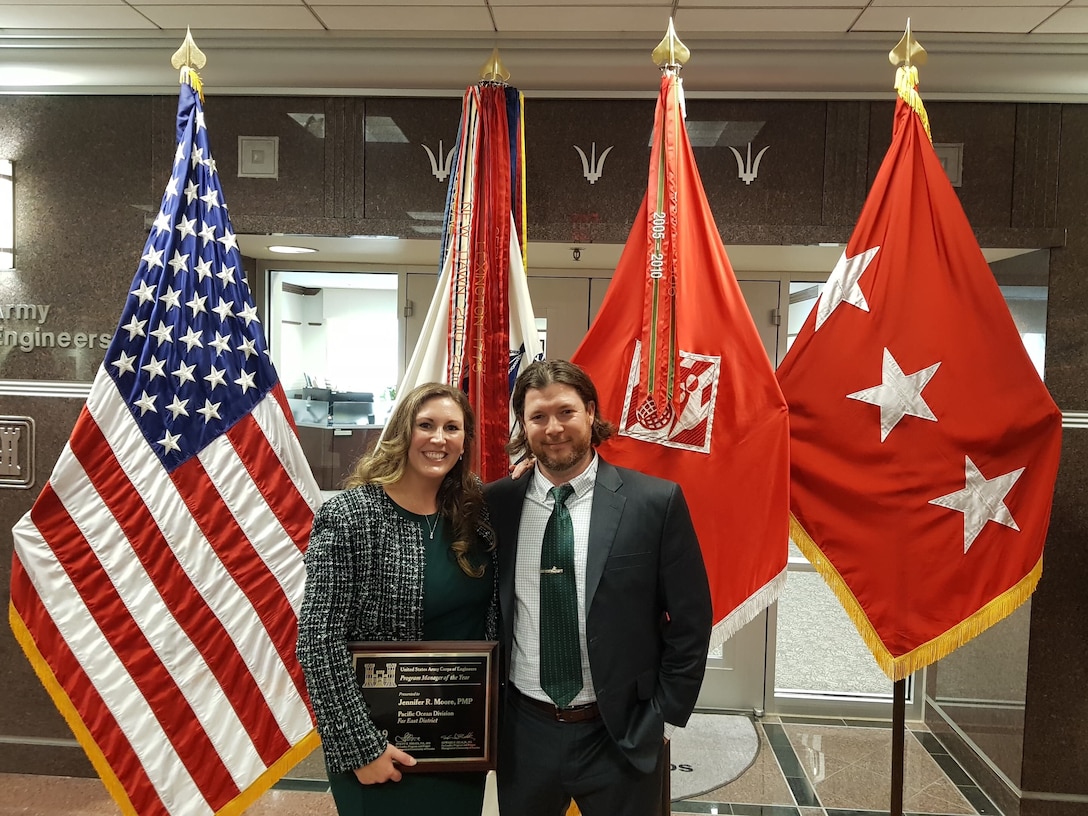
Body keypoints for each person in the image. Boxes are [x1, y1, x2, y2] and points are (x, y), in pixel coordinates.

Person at [486, 359, 713, 816]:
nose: (554, 428)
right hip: (524, 733)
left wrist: (663, 716)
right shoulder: (496, 505)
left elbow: (691, 619)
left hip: (621, 733)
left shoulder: (654, 502)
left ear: (590, 412)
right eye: (538, 416)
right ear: (523, 425)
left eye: (566, 412)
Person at [296, 382, 496, 816]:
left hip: (459, 744)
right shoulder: (350, 516)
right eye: (426, 425)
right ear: (403, 432)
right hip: (377, 748)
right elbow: (317, 640)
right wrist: (360, 748)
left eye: (452, 428)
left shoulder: (477, 515)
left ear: (465, 443)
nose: (439, 439)